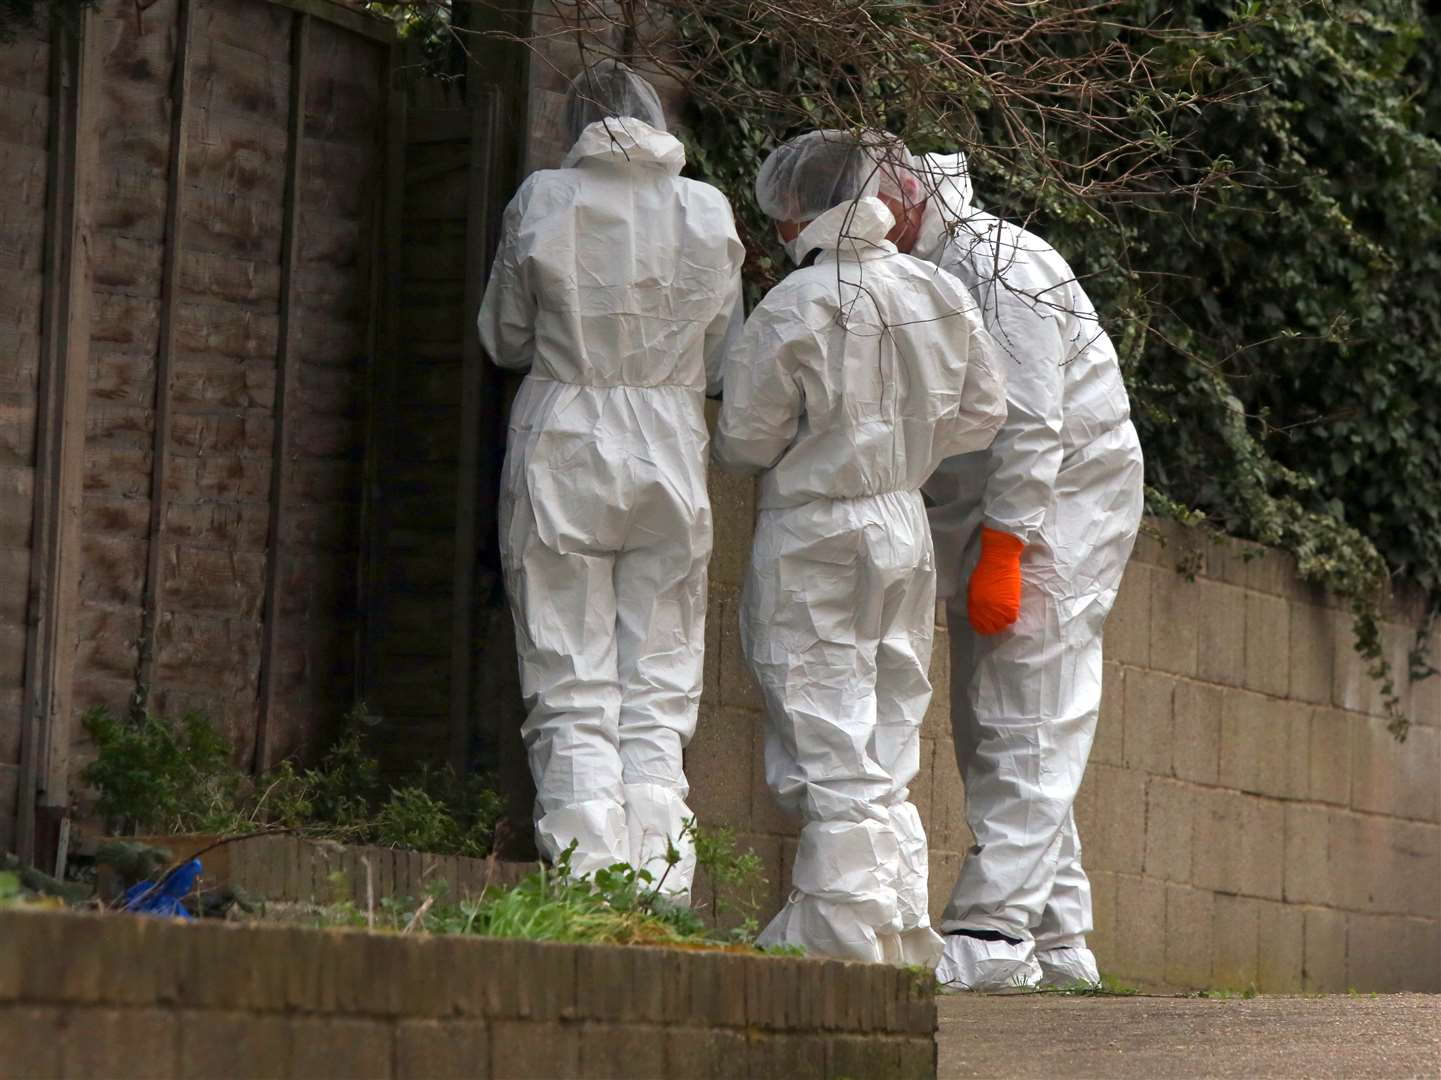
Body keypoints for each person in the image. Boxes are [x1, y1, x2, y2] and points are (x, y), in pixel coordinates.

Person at [712, 131, 1006, 965]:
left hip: (817, 523)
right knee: (883, 725)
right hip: (902, 522)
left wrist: (836, 439)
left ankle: (840, 932)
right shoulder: (932, 289)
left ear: (792, 212)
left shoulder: (796, 304)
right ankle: (894, 924)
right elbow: (984, 412)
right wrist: (904, 442)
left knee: (820, 721)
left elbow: (741, 440)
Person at [875, 148, 1145, 990]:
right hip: (1010, 514)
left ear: (906, 198)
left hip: (1057, 510)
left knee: (1027, 712)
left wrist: (1006, 544)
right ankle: (1060, 941)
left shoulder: (997, 266)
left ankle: (990, 934)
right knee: (997, 717)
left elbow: (1033, 425)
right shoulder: (935, 264)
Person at [476, 60, 745, 902]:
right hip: (668, 438)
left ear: (576, 126)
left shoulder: (546, 200)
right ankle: (664, 882)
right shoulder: (707, 210)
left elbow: (505, 336)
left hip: (565, 429)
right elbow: (720, 359)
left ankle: (593, 879)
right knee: (660, 671)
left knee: (568, 665)